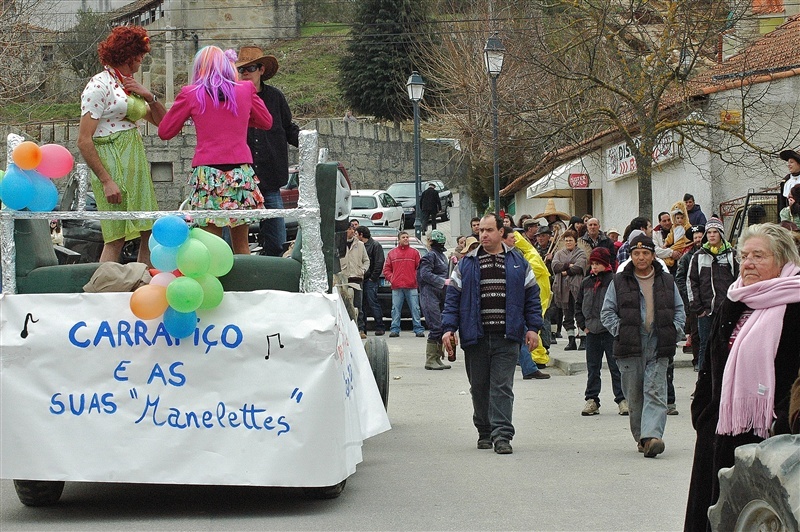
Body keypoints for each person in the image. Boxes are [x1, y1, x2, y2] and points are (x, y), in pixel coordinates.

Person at [684, 224, 800, 531]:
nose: (747, 263)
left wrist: (783, 420)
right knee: (717, 514)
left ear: (783, 260)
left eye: (758, 256)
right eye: (744, 255)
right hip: (722, 430)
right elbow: (710, 361)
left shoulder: (795, 305)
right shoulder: (735, 302)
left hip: (772, 437)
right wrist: (704, 413)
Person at [442, 214, 542, 455]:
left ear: (500, 232)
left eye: (489, 230)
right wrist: (448, 329)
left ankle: (502, 435)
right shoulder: (466, 264)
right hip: (475, 337)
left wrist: (532, 328)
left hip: (507, 337)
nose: (483, 234)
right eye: (481, 231)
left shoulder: (519, 263)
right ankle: (484, 430)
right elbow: (452, 299)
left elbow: (532, 298)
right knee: (479, 387)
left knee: (502, 387)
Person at [158, 46, 273, 254]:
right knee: (242, 245)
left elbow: (165, 131)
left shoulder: (190, 94)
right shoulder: (245, 89)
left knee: (210, 246)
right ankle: (243, 287)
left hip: (208, 175)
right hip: (240, 173)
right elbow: (266, 121)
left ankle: (215, 285)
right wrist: (238, 120)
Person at [77, 25, 166, 265]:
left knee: (147, 229)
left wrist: (150, 96)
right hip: (112, 162)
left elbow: (162, 123)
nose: (141, 60)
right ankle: (106, 292)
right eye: (140, 55)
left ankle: (143, 284)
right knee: (116, 235)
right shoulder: (99, 85)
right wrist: (106, 180)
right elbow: (84, 140)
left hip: (134, 161)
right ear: (131, 55)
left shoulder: (127, 85)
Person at [601, 234, 685, 458]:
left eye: (645, 253)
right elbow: (607, 312)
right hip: (630, 344)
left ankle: (652, 437)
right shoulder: (619, 281)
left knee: (655, 391)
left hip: (659, 342)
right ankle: (642, 436)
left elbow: (679, 309)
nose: (641, 257)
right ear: (630, 256)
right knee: (635, 395)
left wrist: (673, 330)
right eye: (636, 253)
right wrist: (622, 330)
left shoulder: (666, 281)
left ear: (652, 255)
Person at [236, 45, 300, 258]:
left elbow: (288, 127)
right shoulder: (232, 97)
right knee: (231, 241)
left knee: (276, 241)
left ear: (261, 70)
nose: (245, 73)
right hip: (239, 180)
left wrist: (308, 144)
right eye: (241, 69)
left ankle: (266, 275)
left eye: (250, 68)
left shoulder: (275, 98)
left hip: (270, 179)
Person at [576, 247, 627, 416]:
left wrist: (616, 326)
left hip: (610, 332)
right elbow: (578, 305)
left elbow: (621, 305)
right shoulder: (586, 282)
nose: (595, 267)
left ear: (605, 265)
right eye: (593, 264)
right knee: (593, 368)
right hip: (592, 331)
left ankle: (622, 399)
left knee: (616, 367)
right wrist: (583, 325)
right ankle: (592, 399)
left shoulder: (614, 281)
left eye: (598, 264)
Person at [687, 217, 738, 372]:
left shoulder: (732, 255)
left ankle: (724, 381)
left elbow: (739, 281)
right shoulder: (699, 256)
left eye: (715, 232)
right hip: (706, 311)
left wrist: (735, 305)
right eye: (709, 232)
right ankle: (702, 385)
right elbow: (691, 281)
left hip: (726, 309)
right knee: (705, 345)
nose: (712, 235)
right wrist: (698, 308)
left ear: (721, 234)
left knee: (726, 344)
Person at [505, 226, 551, 379]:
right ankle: (529, 366)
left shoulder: (519, 256)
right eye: (512, 238)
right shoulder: (512, 256)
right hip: (511, 303)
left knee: (523, 333)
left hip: (518, 302)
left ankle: (530, 366)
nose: (515, 240)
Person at [417, 230, 451, 370]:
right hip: (429, 294)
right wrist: (443, 281)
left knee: (440, 326)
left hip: (439, 294)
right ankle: (431, 359)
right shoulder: (430, 256)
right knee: (436, 326)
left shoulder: (441, 256)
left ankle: (437, 358)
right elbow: (424, 274)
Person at [382, 231, 425, 337]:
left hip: (411, 285)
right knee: (395, 309)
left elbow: (419, 268)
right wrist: (392, 278)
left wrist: (415, 278)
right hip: (397, 286)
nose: (406, 239)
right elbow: (387, 269)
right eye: (403, 237)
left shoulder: (414, 253)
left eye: (407, 237)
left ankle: (418, 328)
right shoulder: (392, 253)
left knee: (415, 308)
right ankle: (395, 329)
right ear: (399, 239)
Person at [552, 230, 588, 351]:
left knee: (580, 313)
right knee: (567, 315)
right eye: (566, 240)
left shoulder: (581, 253)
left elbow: (579, 267)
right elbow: (555, 266)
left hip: (577, 287)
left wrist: (565, 271)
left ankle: (583, 339)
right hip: (562, 288)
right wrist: (568, 265)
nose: (568, 242)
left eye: (570, 240)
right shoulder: (559, 253)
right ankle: (571, 340)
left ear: (575, 241)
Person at [675, 224, 705, 363]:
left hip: (708, 299)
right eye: (696, 237)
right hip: (693, 301)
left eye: (700, 236)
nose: (698, 239)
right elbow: (680, 278)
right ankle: (697, 360)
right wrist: (687, 296)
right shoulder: (687, 258)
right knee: (695, 331)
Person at [341, 222, 370, 339]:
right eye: (349, 229)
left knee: (358, 305)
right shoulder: (339, 244)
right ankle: (346, 329)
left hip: (356, 278)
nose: (352, 231)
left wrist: (362, 270)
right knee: (345, 305)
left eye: (353, 229)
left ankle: (360, 329)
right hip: (343, 278)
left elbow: (366, 260)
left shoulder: (360, 245)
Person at [357, 226, 386, 336]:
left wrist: (373, 277)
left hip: (370, 280)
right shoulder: (359, 245)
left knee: (373, 302)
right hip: (361, 279)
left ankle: (379, 326)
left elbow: (379, 262)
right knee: (361, 305)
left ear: (361, 235)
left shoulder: (375, 245)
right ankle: (362, 328)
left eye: (357, 233)